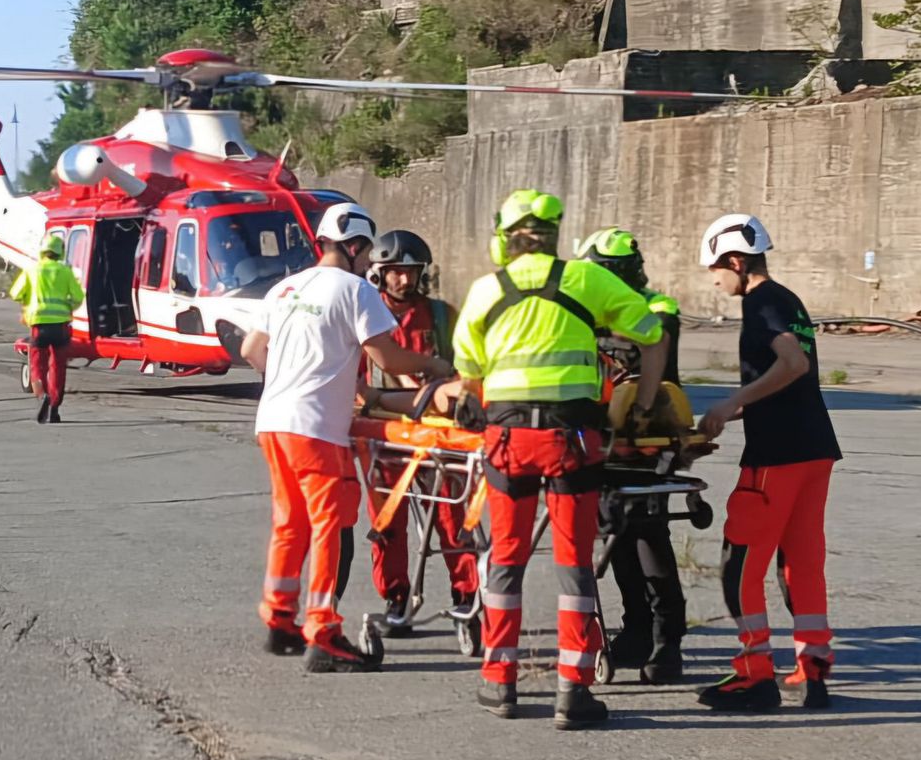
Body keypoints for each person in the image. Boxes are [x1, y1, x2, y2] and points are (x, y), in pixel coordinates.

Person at [453, 190, 669, 729]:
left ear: (504, 236)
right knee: (573, 563)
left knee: (505, 560)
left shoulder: (484, 291)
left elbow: (469, 374)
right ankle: (574, 688)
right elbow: (652, 333)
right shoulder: (587, 281)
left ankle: (499, 680)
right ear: (552, 236)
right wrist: (642, 406)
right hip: (572, 441)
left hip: (508, 442)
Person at [240, 203, 454, 673]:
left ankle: (279, 618)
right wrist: (436, 368)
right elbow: (391, 359)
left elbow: (251, 349)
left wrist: (290, 380)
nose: (368, 265)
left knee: (289, 522)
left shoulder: (285, 287)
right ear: (355, 247)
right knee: (328, 528)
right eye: (366, 254)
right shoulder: (354, 290)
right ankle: (323, 631)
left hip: (273, 421)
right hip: (316, 429)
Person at [694, 213, 841, 712]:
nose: (715, 279)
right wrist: (743, 410)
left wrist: (731, 402)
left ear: (736, 260)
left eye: (716, 268)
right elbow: (792, 380)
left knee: (740, 567)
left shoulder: (761, 303)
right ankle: (811, 671)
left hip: (776, 457)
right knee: (801, 564)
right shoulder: (790, 300)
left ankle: (755, 675)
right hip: (814, 448)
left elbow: (793, 363)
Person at [576, 226, 688, 684]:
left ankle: (667, 641)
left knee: (647, 536)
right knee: (618, 535)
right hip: (605, 441)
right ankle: (637, 629)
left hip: (646, 439)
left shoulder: (655, 312)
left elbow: (651, 363)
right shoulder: (600, 313)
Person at [360, 229, 479, 636]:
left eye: (411, 272)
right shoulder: (364, 313)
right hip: (384, 433)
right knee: (387, 520)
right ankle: (396, 597)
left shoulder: (444, 317)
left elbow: (467, 370)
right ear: (379, 273)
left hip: (441, 436)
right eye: (395, 272)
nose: (405, 280)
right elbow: (356, 385)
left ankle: (466, 597)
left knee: (452, 516)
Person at [8, 232, 86, 424]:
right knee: (58, 366)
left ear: (43, 251)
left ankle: (42, 395)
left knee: (37, 364)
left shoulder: (32, 270)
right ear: (60, 252)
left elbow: (15, 293)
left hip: (39, 326)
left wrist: (28, 303)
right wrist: (68, 308)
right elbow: (78, 297)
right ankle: (55, 408)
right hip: (60, 326)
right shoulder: (65, 271)